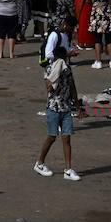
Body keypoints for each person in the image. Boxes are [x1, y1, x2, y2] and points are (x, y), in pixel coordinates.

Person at [34, 45, 80, 180]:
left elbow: (72, 87)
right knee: (52, 136)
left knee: (67, 138)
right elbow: (48, 87)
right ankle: (39, 163)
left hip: (66, 108)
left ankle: (68, 169)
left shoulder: (68, 69)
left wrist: (77, 106)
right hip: (53, 108)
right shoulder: (49, 69)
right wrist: (56, 73)